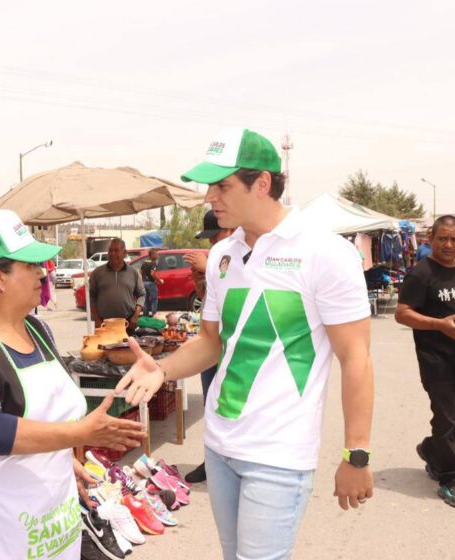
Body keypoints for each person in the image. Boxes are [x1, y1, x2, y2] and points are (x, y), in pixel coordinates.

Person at [116, 127, 375, 560]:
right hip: (220, 446)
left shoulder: (325, 253)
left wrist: (357, 453)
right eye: (208, 186)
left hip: (278, 454)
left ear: (262, 184)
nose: (209, 198)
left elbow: (357, 358)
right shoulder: (223, 254)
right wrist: (162, 369)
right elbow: (211, 342)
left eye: (222, 186)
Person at [0, 210, 145, 560]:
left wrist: (65, 459)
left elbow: (44, 412)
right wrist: (82, 433)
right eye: (30, 265)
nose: (42, 273)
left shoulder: (38, 330)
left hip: (47, 511)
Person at [395, 215, 455, 510]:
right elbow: (402, 313)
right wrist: (438, 324)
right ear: (431, 239)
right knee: (446, 418)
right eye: (442, 239)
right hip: (436, 360)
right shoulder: (422, 274)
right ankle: (449, 479)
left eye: (454, 239)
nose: (448, 244)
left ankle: (431, 448)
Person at [182, 209, 234, 484]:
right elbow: (210, 302)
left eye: (217, 237)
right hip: (210, 346)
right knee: (211, 408)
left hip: (233, 352)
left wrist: (209, 267)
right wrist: (201, 282)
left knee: (231, 408)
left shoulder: (238, 257)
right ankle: (212, 462)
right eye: (210, 240)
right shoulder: (217, 258)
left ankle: (229, 465)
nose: (213, 244)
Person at [89, 238, 145, 332]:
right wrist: (97, 319)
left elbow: (142, 295)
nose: (112, 254)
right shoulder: (97, 273)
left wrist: (135, 316)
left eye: (116, 250)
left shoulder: (133, 273)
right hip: (104, 324)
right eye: (110, 250)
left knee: (127, 347)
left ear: (125, 252)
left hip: (127, 324)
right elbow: (91, 297)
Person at [140, 248, 163, 317]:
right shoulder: (153, 263)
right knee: (154, 300)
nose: (157, 256)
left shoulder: (144, 262)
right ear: (152, 255)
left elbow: (140, 272)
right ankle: (154, 315)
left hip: (144, 283)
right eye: (156, 254)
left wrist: (143, 280)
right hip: (151, 284)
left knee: (146, 300)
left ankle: (145, 316)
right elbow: (152, 273)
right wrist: (159, 281)